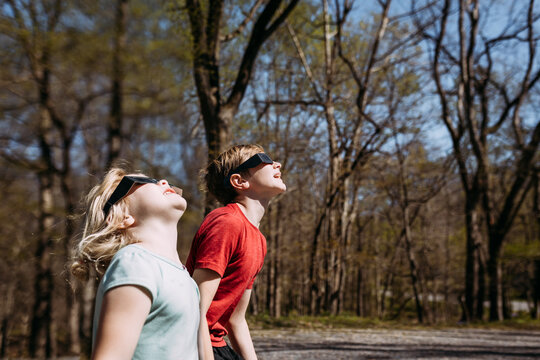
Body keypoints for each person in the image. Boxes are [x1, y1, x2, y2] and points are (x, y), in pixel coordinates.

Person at [70, 167, 199, 360]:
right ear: (122, 216)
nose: (163, 181)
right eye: (146, 182)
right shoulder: (134, 262)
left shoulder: (183, 275)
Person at [186, 144, 286, 360]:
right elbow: (195, 310)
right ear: (239, 181)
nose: (277, 164)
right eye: (264, 159)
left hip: (216, 343)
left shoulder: (259, 239)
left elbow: (236, 319)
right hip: (193, 345)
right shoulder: (226, 223)